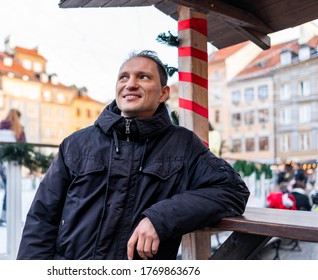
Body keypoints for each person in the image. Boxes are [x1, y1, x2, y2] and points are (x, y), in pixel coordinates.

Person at [17, 50, 250, 260]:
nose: (130, 84)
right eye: (123, 77)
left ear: (163, 93)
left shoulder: (183, 144)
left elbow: (232, 191)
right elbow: (41, 219)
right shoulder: (76, 143)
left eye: (143, 77)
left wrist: (161, 218)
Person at [0, 109, 26, 227]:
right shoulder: (18, 129)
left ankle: (4, 216)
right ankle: (10, 217)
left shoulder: (0, 129)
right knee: (13, 190)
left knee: (8, 190)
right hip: (14, 164)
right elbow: (23, 147)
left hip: (2, 164)